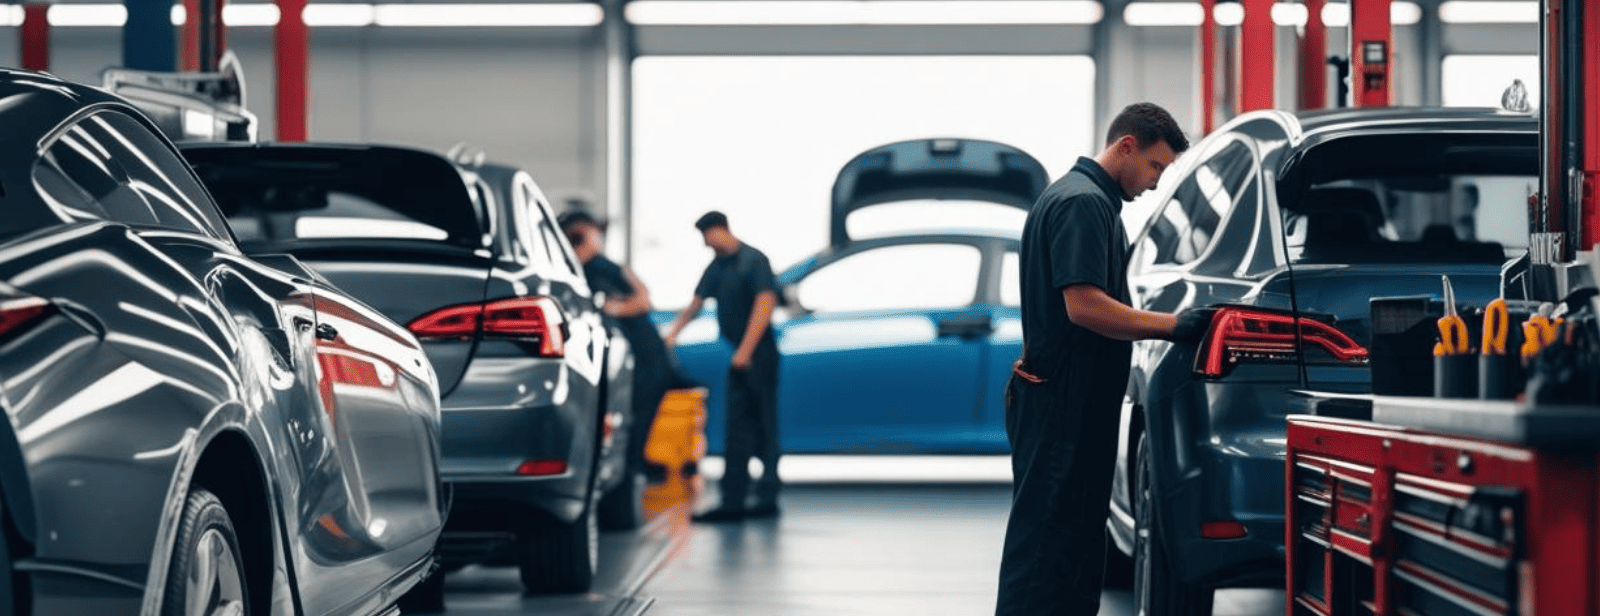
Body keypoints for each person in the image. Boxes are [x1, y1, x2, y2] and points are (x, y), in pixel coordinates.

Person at [994, 102, 1215, 615]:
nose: (1157, 183)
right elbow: (1084, 306)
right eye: (1156, 167)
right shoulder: (1083, 204)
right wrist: (1175, 326)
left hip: (1064, 400)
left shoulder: (1083, 199)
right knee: (1049, 550)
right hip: (1061, 405)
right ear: (1126, 146)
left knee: (1065, 546)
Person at [663, 211, 782, 522]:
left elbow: (765, 302)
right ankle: (733, 501)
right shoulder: (717, 266)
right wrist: (673, 333)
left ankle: (767, 497)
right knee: (737, 427)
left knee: (765, 423)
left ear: (722, 229)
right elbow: (696, 302)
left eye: (708, 235)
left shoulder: (753, 260)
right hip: (739, 357)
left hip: (758, 355)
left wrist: (745, 350)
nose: (706, 243)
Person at [559, 210, 677, 485]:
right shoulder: (578, 272)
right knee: (630, 411)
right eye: (592, 233)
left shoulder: (601, 266)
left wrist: (612, 307)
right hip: (627, 354)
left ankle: (635, 466)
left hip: (642, 351)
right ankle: (633, 467)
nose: (597, 237)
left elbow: (642, 299)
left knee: (640, 409)